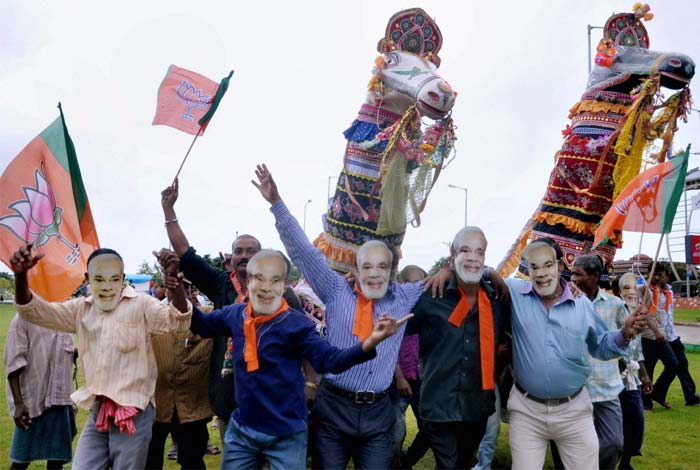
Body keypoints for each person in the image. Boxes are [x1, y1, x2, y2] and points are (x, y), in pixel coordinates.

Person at [253, 163, 427, 469]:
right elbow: (303, 252)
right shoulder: (336, 290)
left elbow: (452, 278)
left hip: (377, 414)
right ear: (356, 269)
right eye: (367, 266)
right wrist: (277, 203)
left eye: (382, 266)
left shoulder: (405, 296)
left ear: (392, 270)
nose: (374, 274)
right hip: (333, 409)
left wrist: (458, 268)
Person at [188, 249, 408, 469]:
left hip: (287, 432)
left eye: (274, 280)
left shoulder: (297, 324)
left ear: (284, 284)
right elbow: (200, 325)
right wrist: (177, 290)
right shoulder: (235, 314)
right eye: (259, 278)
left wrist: (370, 342)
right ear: (249, 280)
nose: (266, 287)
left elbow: (329, 360)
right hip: (243, 430)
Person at [10, 244, 192, 470]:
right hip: (99, 410)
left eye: (114, 279)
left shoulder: (142, 304)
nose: (107, 287)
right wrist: (20, 275)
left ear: (123, 278)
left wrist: (174, 282)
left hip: (134, 411)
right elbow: (32, 310)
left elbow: (179, 324)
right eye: (99, 279)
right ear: (87, 278)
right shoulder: (80, 309)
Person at [160, 178, 309, 441]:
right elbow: (186, 255)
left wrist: (308, 384)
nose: (243, 255)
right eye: (238, 251)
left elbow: (304, 340)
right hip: (230, 392)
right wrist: (169, 210)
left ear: (261, 257)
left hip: (274, 394)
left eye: (251, 251)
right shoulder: (220, 284)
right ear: (232, 257)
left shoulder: (283, 293)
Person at [504, 239, 645, 470]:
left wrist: (624, 334)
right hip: (526, 411)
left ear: (560, 265)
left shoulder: (582, 304)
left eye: (547, 265)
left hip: (574, 411)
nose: (541, 274)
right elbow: (483, 276)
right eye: (534, 267)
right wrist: (448, 270)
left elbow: (600, 345)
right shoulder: (516, 292)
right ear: (526, 269)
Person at [406, 228, 509, 470]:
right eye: (465, 250)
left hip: (477, 408)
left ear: (484, 259)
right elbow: (396, 320)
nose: (472, 256)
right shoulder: (431, 295)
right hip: (438, 406)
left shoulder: (498, 299)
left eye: (479, 251)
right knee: (449, 465)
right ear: (452, 258)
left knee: (462, 464)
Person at [145, 273, 214, 470]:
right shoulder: (153, 318)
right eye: (173, 287)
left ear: (192, 290)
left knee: (193, 461)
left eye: (185, 286)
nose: (180, 291)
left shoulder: (208, 316)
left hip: (192, 405)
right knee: (149, 460)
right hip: (156, 404)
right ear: (165, 290)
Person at [565, 254, 628, 469]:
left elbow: (627, 339)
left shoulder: (616, 304)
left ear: (594, 276)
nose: (572, 278)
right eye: (571, 273)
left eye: (578, 274)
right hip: (573, 389)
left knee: (613, 443)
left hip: (606, 388)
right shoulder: (565, 301)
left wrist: (635, 369)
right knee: (569, 446)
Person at [4, 313, 77, 469]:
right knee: (20, 461)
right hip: (32, 404)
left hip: (60, 401)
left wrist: (73, 352)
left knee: (57, 461)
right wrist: (18, 403)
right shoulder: (24, 318)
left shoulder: (64, 316)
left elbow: (59, 348)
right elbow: (13, 362)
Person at [392, 265, 431, 470]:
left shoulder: (429, 308)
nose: (415, 288)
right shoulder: (395, 308)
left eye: (419, 283)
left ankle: (405, 463)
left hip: (422, 382)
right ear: (402, 284)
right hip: (398, 383)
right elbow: (387, 348)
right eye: (410, 283)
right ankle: (395, 463)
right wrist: (399, 378)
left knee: (429, 429)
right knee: (395, 433)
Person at [649, 263, 700, 407]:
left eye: (661, 275)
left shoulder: (669, 291)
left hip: (671, 336)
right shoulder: (650, 291)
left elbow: (668, 315)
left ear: (667, 276)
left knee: (682, 365)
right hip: (655, 336)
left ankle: (690, 396)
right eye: (655, 274)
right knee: (650, 368)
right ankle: (648, 399)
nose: (658, 278)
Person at [617, 272, 653, 470]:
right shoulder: (614, 309)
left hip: (632, 378)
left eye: (634, 288)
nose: (631, 292)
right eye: (626, 288)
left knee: (636, 421)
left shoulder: (637, 313)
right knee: (613, 427)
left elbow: (637, 349)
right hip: (612, 378)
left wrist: (645, 374)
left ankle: (626, 463)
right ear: (619, 291)